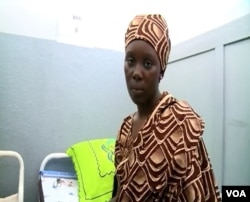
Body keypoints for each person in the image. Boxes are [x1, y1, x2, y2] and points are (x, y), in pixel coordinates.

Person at [111, 14, 222, 201]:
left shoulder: (181, 124)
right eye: (130, 61)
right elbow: (118, 193)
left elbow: (200, 193)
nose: (136, 73)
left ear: (161, 71)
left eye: (148, 64)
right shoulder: (124, 130)